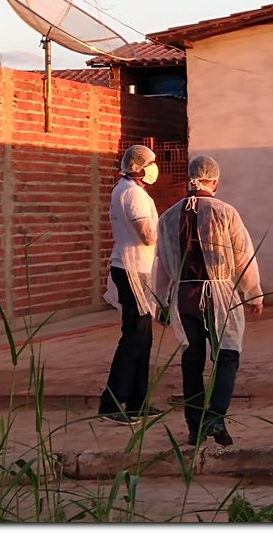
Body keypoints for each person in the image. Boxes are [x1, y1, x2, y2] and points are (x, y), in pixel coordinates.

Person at [152, 155, 264, 447]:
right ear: (214, 180)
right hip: (219, 293)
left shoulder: (167, 216)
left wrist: (161, 301)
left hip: (183, 295)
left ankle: (194, 426)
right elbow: (243, 255)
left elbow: (161, 263)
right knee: (226, 354)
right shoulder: (225, 212)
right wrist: (254, 293)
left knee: (192, 358)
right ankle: (215, 417)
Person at [98, 144, 164, 424]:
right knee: (134, 337)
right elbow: (147, 235)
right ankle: (111, 403)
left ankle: (137, 401)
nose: (153, 167)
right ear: (138, 167)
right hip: (132, 270)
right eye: (150, 162)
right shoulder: (133, 194)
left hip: (136, 268)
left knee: (143, 338)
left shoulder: (126, 190)